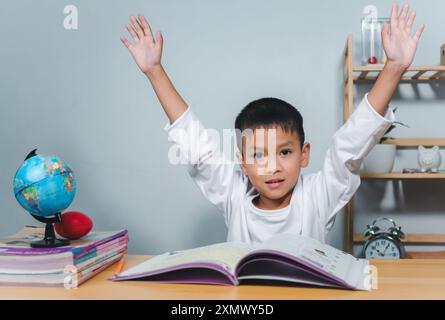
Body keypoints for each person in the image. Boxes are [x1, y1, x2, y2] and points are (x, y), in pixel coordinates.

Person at [120, 3, 424, 246]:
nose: (272, 167)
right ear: (242, 162)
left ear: (304, 154)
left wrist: (394, 67)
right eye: (258, 155)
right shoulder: (234, 194)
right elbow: (197, 146)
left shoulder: (319, 196)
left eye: (284, 152)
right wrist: (154, 71)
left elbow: (351, 145)